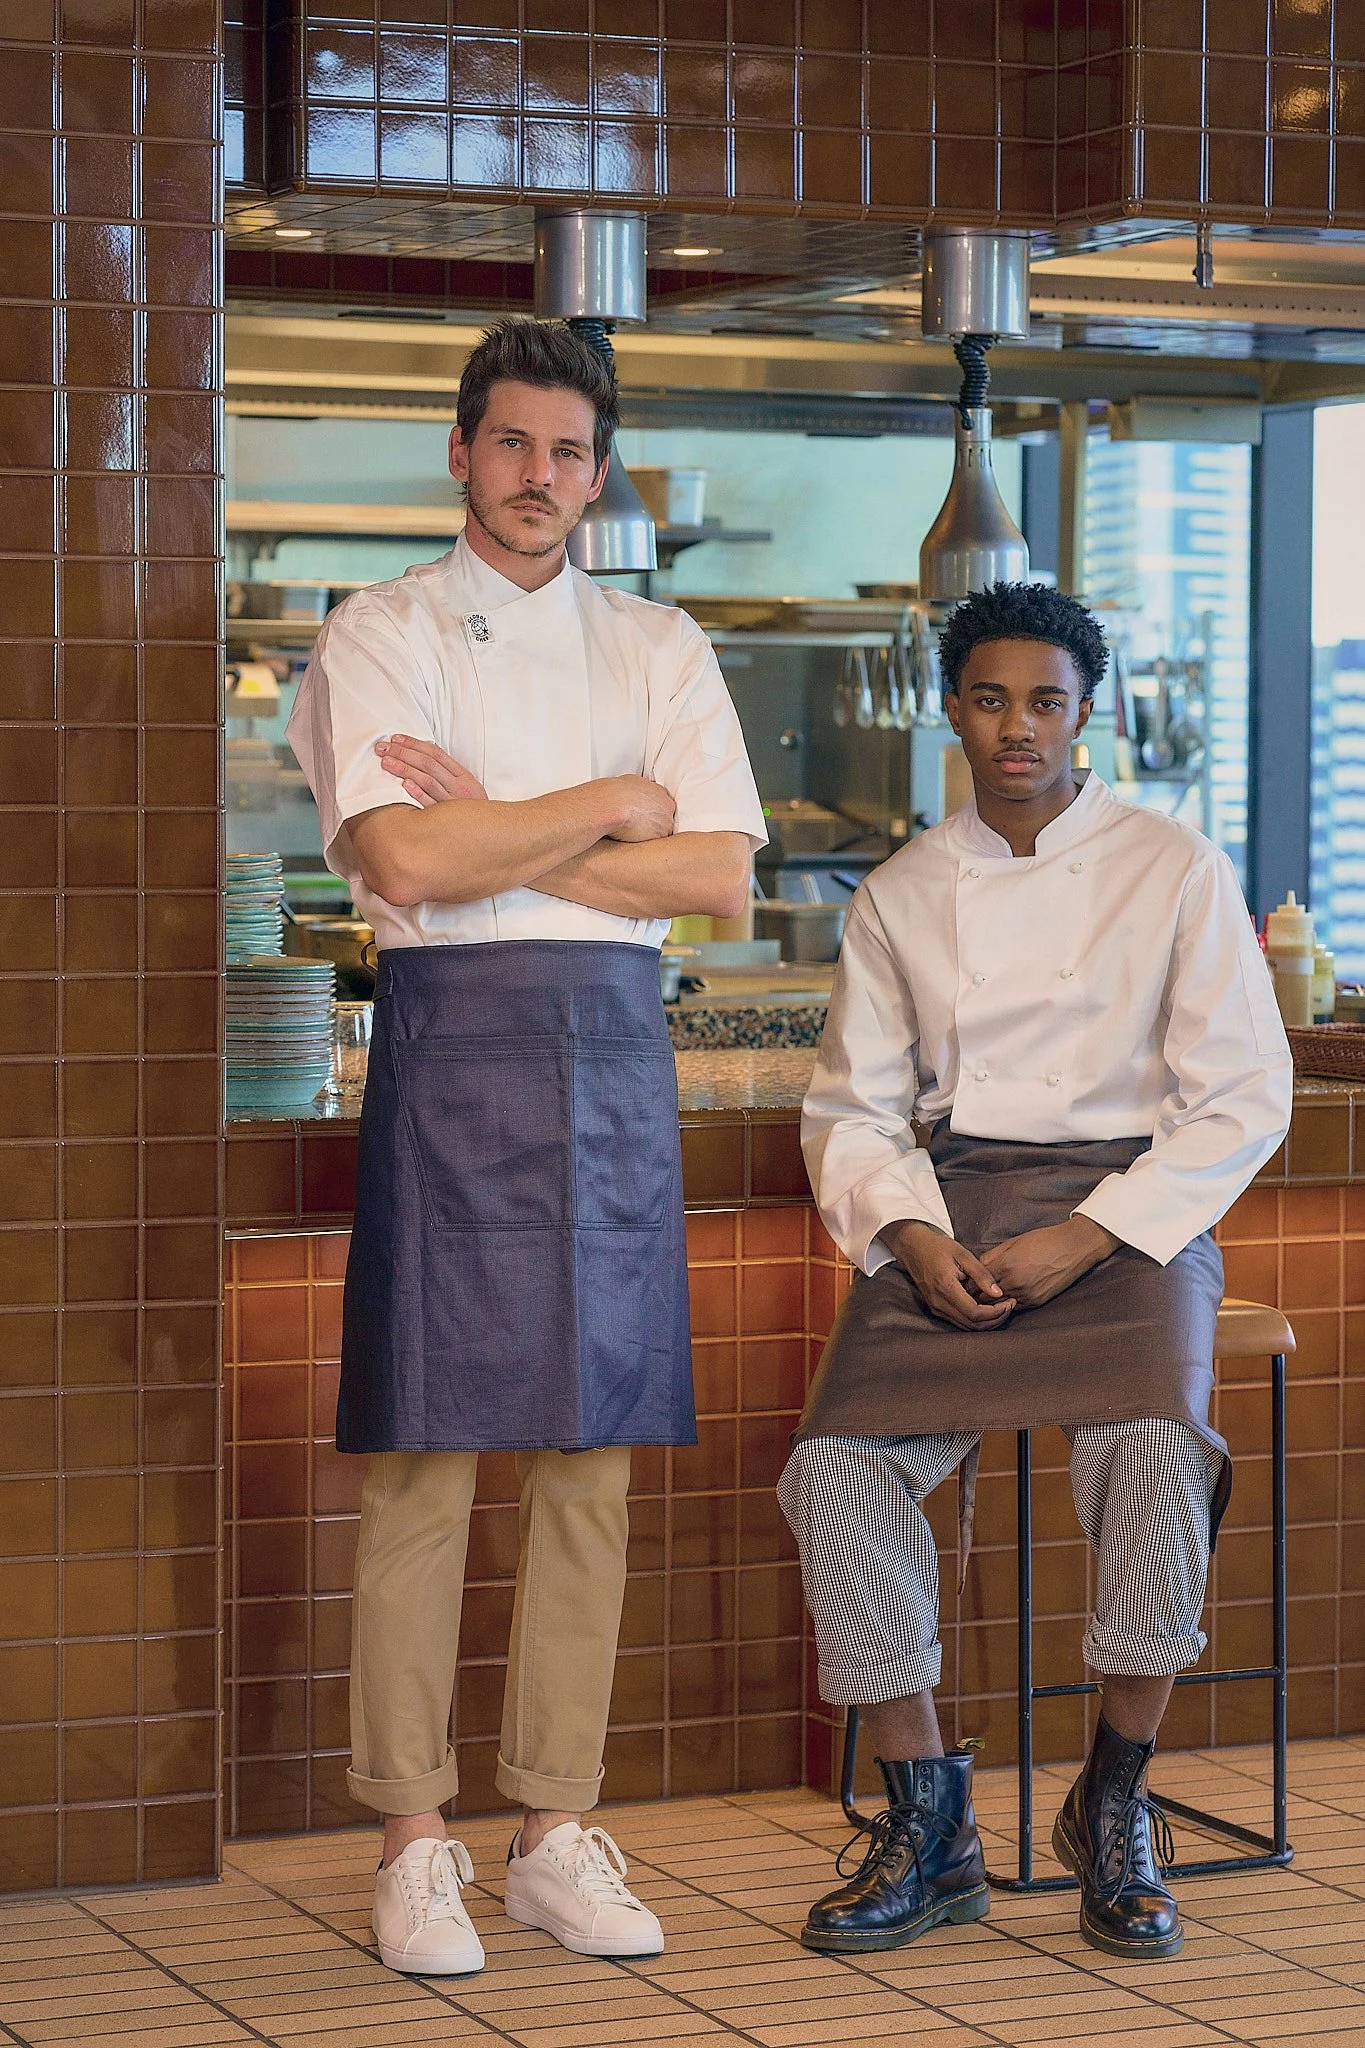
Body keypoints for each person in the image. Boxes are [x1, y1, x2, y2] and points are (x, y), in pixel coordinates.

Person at [287, 318, 766, 1977]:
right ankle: (414, 1840)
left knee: (591, 1462)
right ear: (461, 451)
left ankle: (555, 1827)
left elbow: (720, 882)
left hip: (613, 1065)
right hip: (453, 1058)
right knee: (422, 1454)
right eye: (511, 444)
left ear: (599, 470)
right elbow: (404, 863)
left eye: (568, 452)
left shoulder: (660, 641)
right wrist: (609, 805)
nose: (538, 479)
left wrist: (505, 822)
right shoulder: (381, 631)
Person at [778, 582, 1292, 1963]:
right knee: (837, 1471)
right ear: (954, 709)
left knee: (1154, 1453)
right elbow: (852, 1109)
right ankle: (925, 1812)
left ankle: (1114, 1802)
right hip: (954, 1205)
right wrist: (911, 1233)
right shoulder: (900, 891)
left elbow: (1242, 1094)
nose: (1019, 729)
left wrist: (1099, 1230)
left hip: (1132, 1215)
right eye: (992, 700)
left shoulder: (1172, 864)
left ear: (1087, 714)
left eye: (1047, 702)